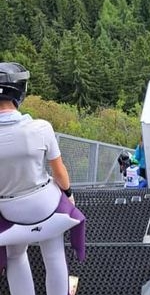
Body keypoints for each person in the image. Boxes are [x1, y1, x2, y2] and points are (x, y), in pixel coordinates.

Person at [0, 62, 86, 295]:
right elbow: (59, 172)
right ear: (19, 91)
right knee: (54, 253)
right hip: (43, 204)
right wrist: (68, 195)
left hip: (8, 208)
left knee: (15, 256)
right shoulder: (41, 128)